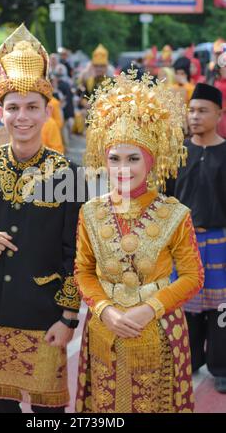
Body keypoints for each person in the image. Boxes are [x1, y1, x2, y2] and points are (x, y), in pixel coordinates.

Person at [0, 24, 84, 413]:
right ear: (0, 111)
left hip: (43, 311)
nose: (22, 117)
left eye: (31, 108)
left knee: (48, 413)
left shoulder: (68, 173)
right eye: (13, 108)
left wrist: (69, 318)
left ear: (47, 111)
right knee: (0, 408)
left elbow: (76, 250)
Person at [74, 69, 204, 413]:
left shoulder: (175, 214)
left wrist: (150, 309)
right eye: (114, 158)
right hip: (104, 331)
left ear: (151, 160)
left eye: (133, 158)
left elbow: (193, 277)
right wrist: (105, 311)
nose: (122, 168)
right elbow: (83, 272)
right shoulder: (90, 212)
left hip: (159, 330)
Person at [167, 83, 226, 394]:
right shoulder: (177, 152)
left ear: (219, 113)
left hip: (220, 242)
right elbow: (165, 198)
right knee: (186, 308)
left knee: (221, 310)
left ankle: (221, 366)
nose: (195, 116)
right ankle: (190, 359)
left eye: (202, 110)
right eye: (191, 110)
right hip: (184, 242)